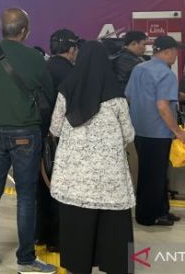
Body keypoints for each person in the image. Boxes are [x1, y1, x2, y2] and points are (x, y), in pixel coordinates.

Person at [0, 8, 56, 273]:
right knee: (25, 196)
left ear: (1, 28)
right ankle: (25, 260)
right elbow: (49, 92)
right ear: (25, 30)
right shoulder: (35, 57)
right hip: (25, 133)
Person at [50, 41, 135, 274]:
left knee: (77, 225)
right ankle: (115, 266)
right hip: (110, 178)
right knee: (114, 228)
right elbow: (128, 134)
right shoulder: (116, 95)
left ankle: (79, 266)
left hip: (74, 177)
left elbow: (55, 128)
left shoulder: (67, 89)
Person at [126, 35, 185, 226]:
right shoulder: (166, 74)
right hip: (158, 132)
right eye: (176, 51)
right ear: (168, 52)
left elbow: (128, 96)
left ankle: (162, 210)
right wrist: (178, 131)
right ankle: (149, 216)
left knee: (149, 173)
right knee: (155, 176)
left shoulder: (138, 68)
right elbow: (162, 106)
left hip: (140, 130)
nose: (176, 54)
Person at [37, 28, 80, 252]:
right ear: (72, 49)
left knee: (41, 186)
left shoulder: (42, 67)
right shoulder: (72, 73)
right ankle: (57, 238)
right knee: (60, 187)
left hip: (39, 134)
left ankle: (40, 234)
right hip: (61, 136)